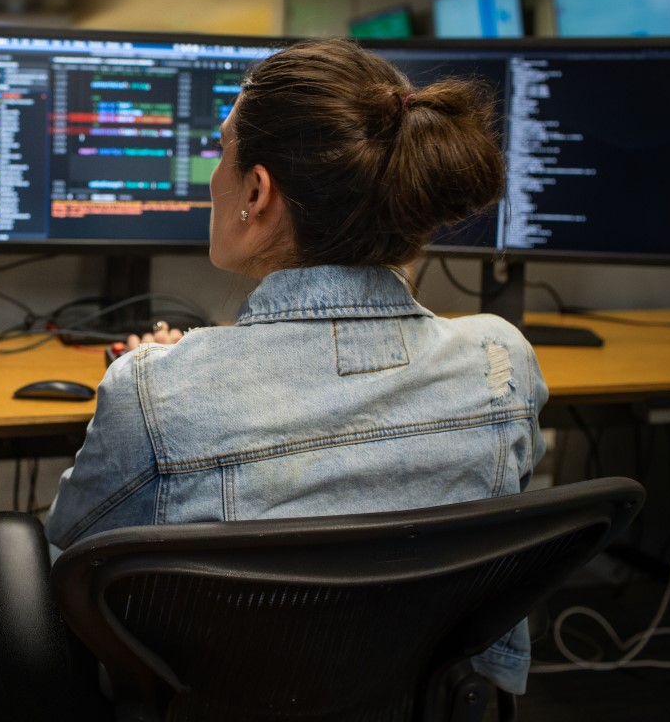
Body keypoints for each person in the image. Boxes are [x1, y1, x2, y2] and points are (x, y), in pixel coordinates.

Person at [45, 38, 548, 695]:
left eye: (221, 151)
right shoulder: (499, 359)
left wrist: (162, 379)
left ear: (257, 190)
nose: (213, 176)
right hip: (427, 701)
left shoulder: (153, 389)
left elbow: (72, 543)